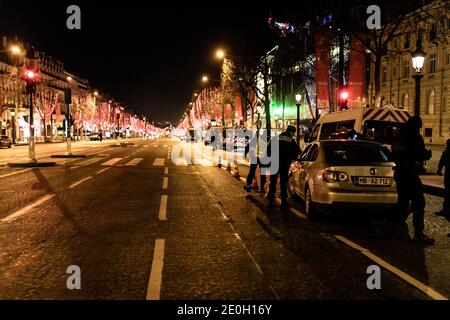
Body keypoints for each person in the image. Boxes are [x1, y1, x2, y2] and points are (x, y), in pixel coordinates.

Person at [389, 116, 434, 244]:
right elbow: (419, 154)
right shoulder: (414, 136)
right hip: (409, 172)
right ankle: (419, 234)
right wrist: (427, 154)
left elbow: (396, 153)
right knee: (419, 202)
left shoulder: (398, 135)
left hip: (399, 172)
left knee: (402, 202)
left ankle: (385, 223)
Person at [267, 126, 301, 208]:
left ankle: (270, 201)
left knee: (273, 182)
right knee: (283, 183)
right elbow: (297, 152)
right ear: (291, 132)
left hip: (274, 162)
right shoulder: (291, 141)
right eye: (294, 133)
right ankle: (283, 202)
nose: (293, 135)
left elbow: (268, 150)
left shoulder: (275, 138)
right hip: (284, 164)